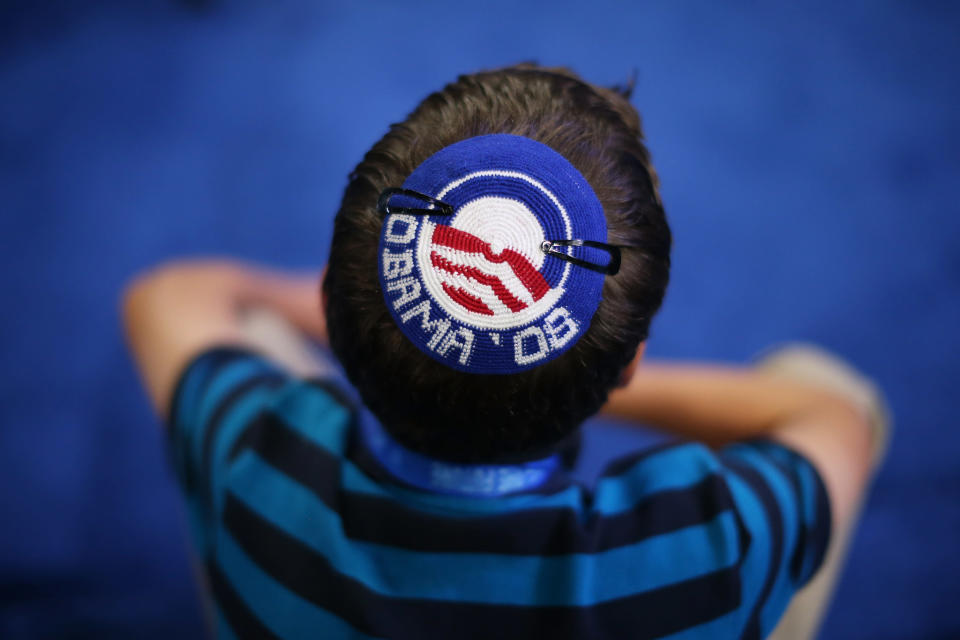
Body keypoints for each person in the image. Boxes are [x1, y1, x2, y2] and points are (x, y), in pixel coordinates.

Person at [123, 64, 887, 639]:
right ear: (628, 363)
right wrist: (595, 373)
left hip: (287, 570)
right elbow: (832, 421)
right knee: (825, 387)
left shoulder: (256, 469)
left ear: (337, 295)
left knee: (247, 335)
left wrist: (329, 309)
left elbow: (165, 296)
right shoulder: (708, 555)